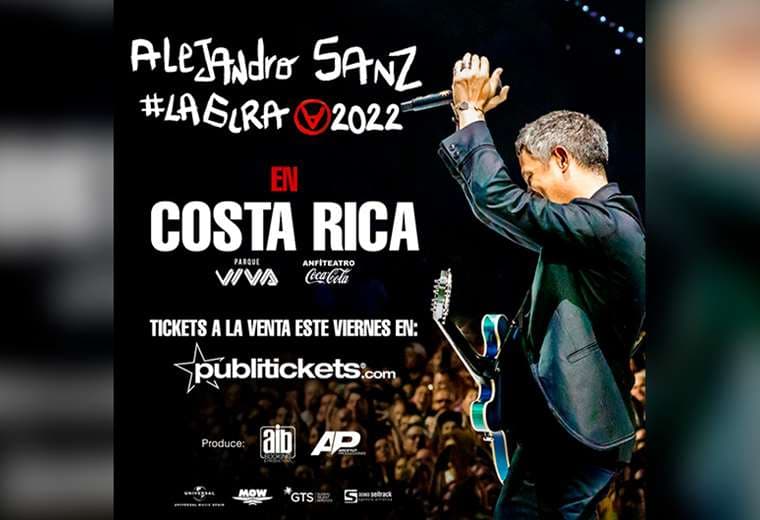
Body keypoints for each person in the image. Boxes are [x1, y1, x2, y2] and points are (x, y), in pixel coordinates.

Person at [438, 52, 645, 519]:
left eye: (531, 178)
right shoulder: (595, 234)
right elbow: (497, 210)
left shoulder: (605, 228)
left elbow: (498, 200)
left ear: (561, 158)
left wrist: (471, 113)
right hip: (572, 430)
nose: (530, 192)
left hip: (574, 431)